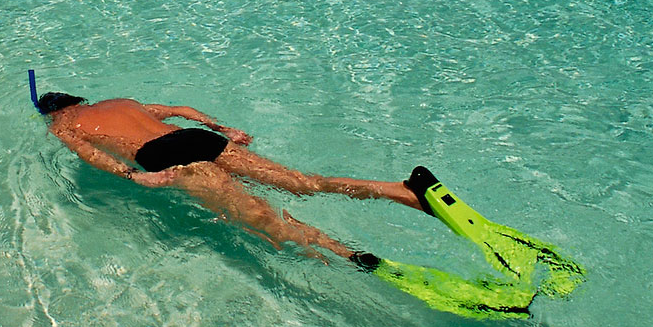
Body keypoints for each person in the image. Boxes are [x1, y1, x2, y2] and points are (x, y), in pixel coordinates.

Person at [35, 90, 428, 266]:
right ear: (78, 99)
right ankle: (398, 190)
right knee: (302, 181)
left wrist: (133, 176)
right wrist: (223, 128)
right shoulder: (121, 101)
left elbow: (89, 154)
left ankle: (348, 255)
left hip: (163, 156)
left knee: (259, 217)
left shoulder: (62, 126)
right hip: (195, 138)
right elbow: (182, 110)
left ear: (54, 113)